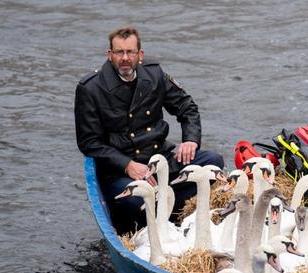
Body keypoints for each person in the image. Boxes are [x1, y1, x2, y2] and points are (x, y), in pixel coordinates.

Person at [75, 26, 224, 234]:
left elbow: (187, 107)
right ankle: (164, 217)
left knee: (213, 163)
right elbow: (89, 142)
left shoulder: (154, 74)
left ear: (140, 55)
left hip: (160, 161)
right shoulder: (90, 88)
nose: (125, 58)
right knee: (138, 200)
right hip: (121, 172)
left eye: (130, 52)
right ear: (110, 55)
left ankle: (173, 214)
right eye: (119, 52)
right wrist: (127, 165)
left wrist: (190, 140)